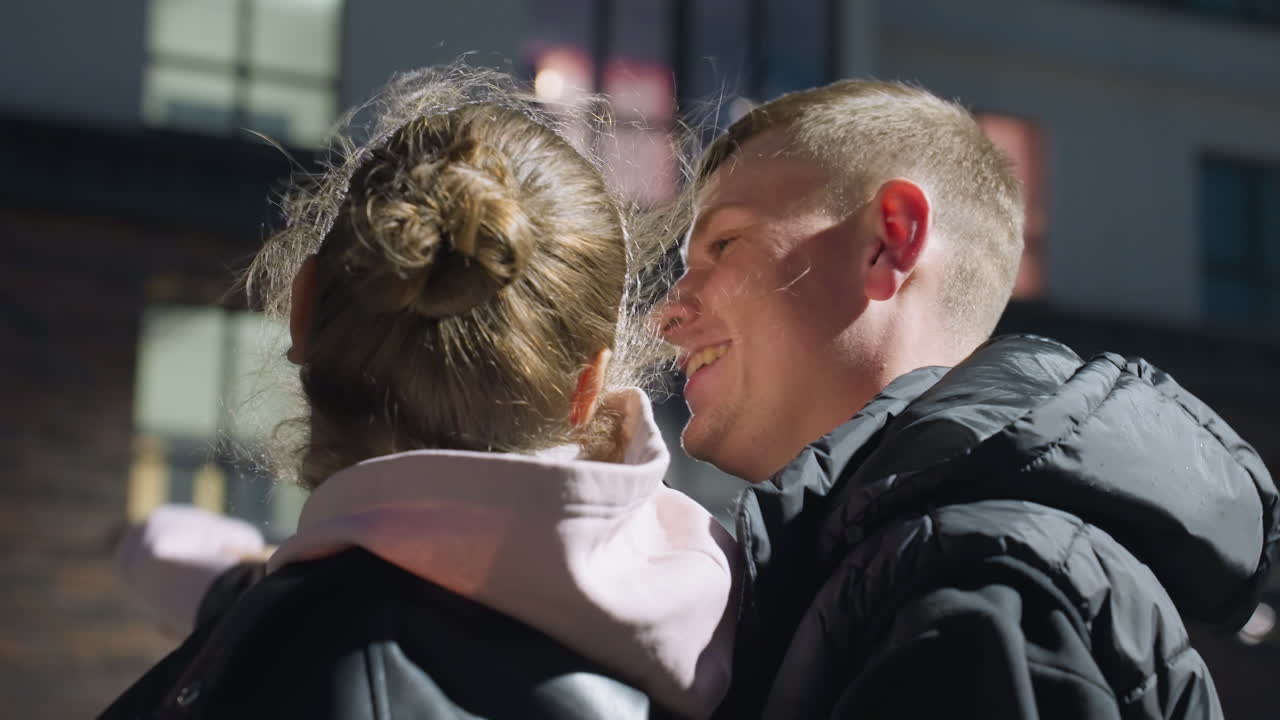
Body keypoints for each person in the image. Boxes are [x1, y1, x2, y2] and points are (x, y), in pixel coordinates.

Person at [103, 67, 737, 720]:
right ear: (588, 387)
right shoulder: (755, 629)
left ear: (301, 308)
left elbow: (158, 548)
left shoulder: (290, 661)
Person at [656, 79, 1278, 719]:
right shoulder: (933, 566)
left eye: (724, 244)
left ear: (888, 240)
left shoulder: (987, 578)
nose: (665, 315)